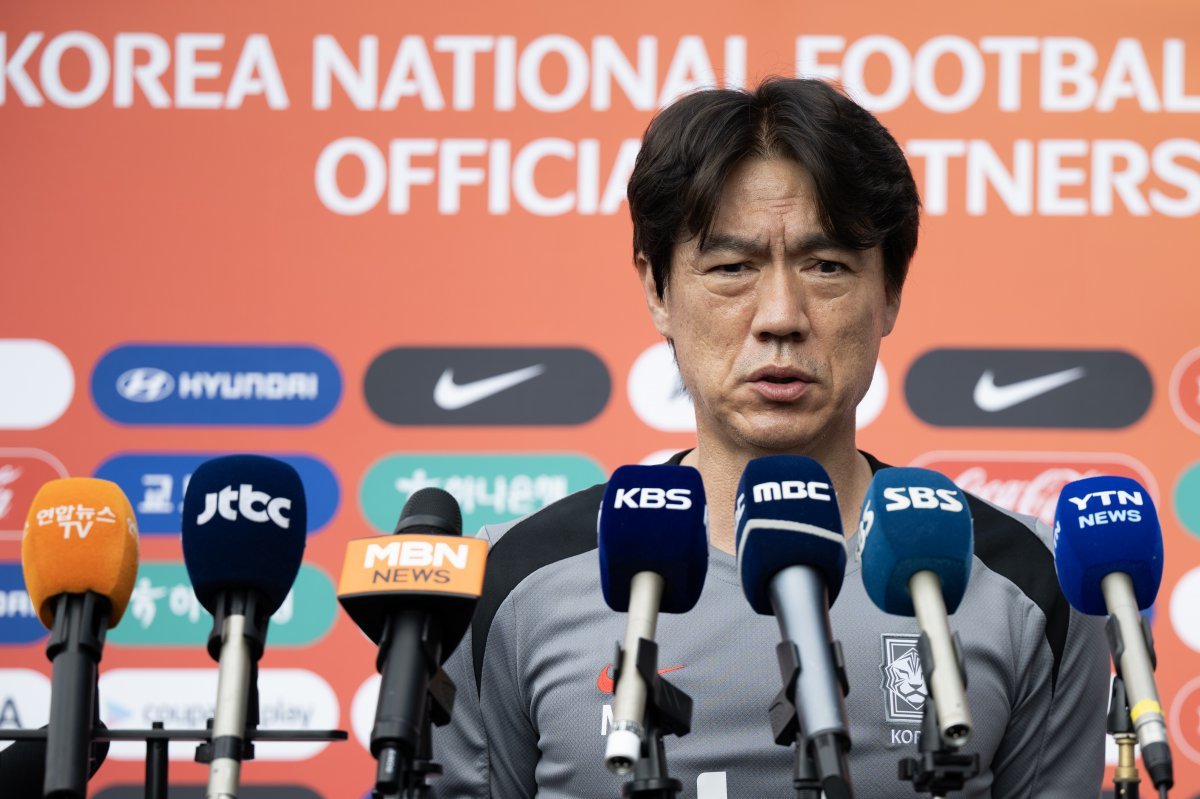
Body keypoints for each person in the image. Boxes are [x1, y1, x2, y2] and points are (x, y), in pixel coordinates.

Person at [430, 78, 1109, 798]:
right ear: (657, 291)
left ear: (891, 291)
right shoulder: (511, 581)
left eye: (827, 266)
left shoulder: (1033, 582)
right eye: (732, 268)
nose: (781, 316)